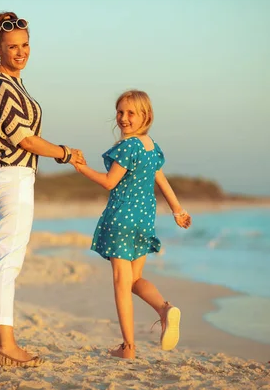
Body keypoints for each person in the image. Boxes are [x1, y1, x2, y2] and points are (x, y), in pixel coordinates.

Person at [0, 11, 85, 367]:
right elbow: (23, 138)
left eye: (25, 44)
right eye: (13, 46)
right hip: (12, 178)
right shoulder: (3, 85)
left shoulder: (2, 84)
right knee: (8, 262)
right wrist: (65, 153)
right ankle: (7, 342)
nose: (21, 52)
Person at [72, 90, 192, 359]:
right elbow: (161, 180)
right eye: (120, 112)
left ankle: (128, 347)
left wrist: (81, 168)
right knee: (134, 279)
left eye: (130, 113)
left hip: (122, 217)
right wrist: (177, 210)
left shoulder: (128, 147)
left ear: (145, 116)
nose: (123, 118)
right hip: (144, 219)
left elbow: (108, 182)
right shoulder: (151, 146)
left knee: (121, 282)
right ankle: (164, 309)